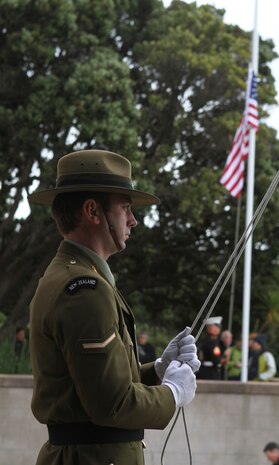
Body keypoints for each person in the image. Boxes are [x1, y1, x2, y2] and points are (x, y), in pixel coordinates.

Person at [28, 149, 200, 465]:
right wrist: (173, 393)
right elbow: (112, 404)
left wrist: (158, 370)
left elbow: (94, 384)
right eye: (125, 208)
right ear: (93, 211)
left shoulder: (75, 277)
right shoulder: (84, 289)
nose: (133, 220)